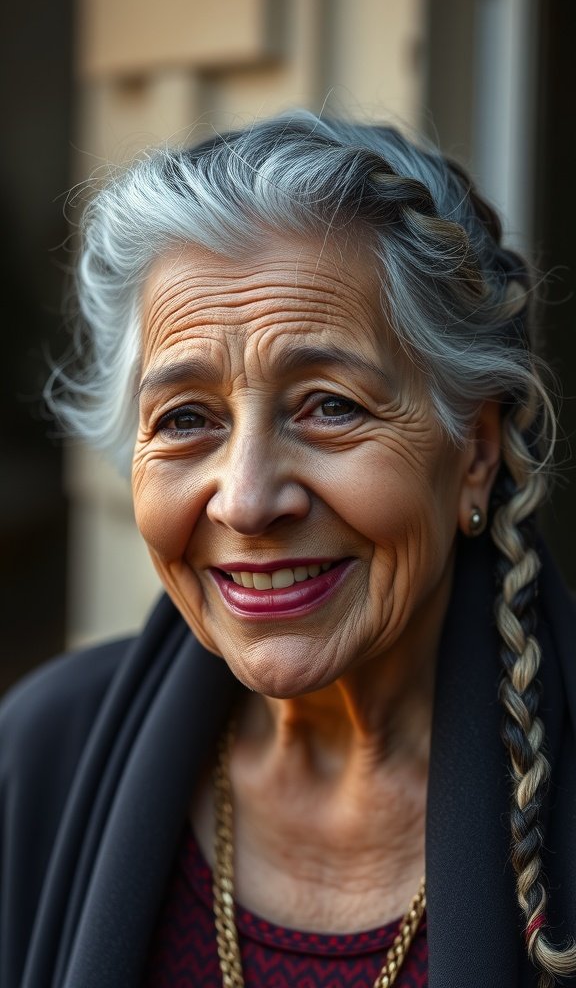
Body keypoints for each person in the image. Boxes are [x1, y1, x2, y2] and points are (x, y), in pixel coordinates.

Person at [1, 112, 576, 988]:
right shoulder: (39, 757)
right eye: (186, 419)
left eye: (330, 406)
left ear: (477, 450)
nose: (245, 499)